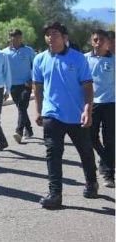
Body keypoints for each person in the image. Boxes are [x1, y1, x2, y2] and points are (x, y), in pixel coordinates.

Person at [33, 22, 100, 208]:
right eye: (48, 34)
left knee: (86, 152)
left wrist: (87, 109)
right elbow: (37, 87)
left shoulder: (78, 59)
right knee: (53, 153)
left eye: (55, 33)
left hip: (76, 115)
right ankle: (55, 194)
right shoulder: (39, 59)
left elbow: (87, 86)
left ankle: (91, 183)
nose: (50, 37)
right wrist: (38, 110)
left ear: (65, 37)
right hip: (52, 115)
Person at [86, 29, 115, 188]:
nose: (98, 42)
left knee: (110, 139)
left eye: (101, 40)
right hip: (91, 104)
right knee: (90, 136)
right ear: (92, 41)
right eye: (95, 39)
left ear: (106, 42)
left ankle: (109, 175)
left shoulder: (114, 60)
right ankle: (107, 161)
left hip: (111, 104)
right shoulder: (84, 59)